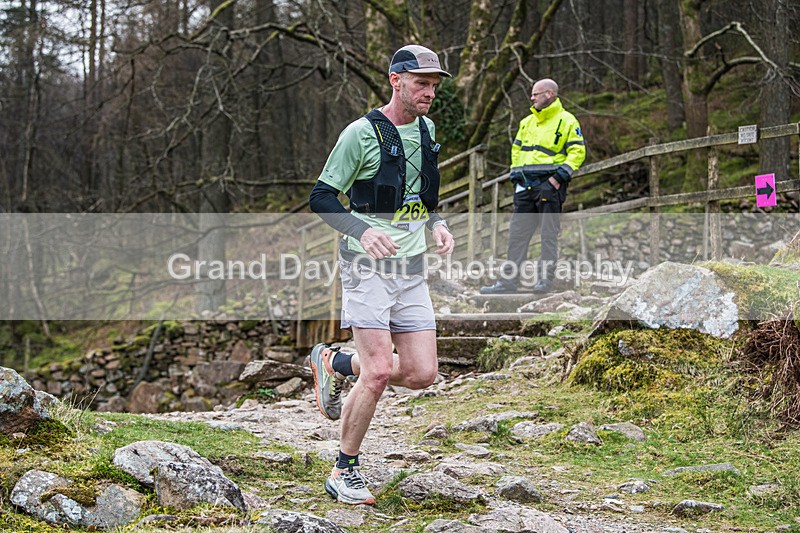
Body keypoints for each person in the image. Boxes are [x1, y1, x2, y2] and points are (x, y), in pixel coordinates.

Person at [307, 44, 455, 506]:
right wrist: (363, 229)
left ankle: (334, 363)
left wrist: (437, 223)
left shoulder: (428, 130)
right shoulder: (360, 134)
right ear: (396, 80)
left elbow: (423, 195)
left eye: (434, 85)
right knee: (376, 373)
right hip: (366, 267)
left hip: (411, 268)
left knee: (421, 373)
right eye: (421, 84)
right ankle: (343, 470)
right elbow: (322, 197)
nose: (429, 93)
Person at [480, 78, 586, 294]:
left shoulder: (567, 120)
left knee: (548, 235)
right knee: (517, 236)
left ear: (549, 94)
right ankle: (508, 282)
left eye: (535, 94)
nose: (531, 98)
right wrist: (515, 177)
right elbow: (516, 150)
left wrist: (557, 179)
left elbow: (578, 152)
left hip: (550, 186)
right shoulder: (526, 122)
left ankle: (545, 282)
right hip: (524, 188)